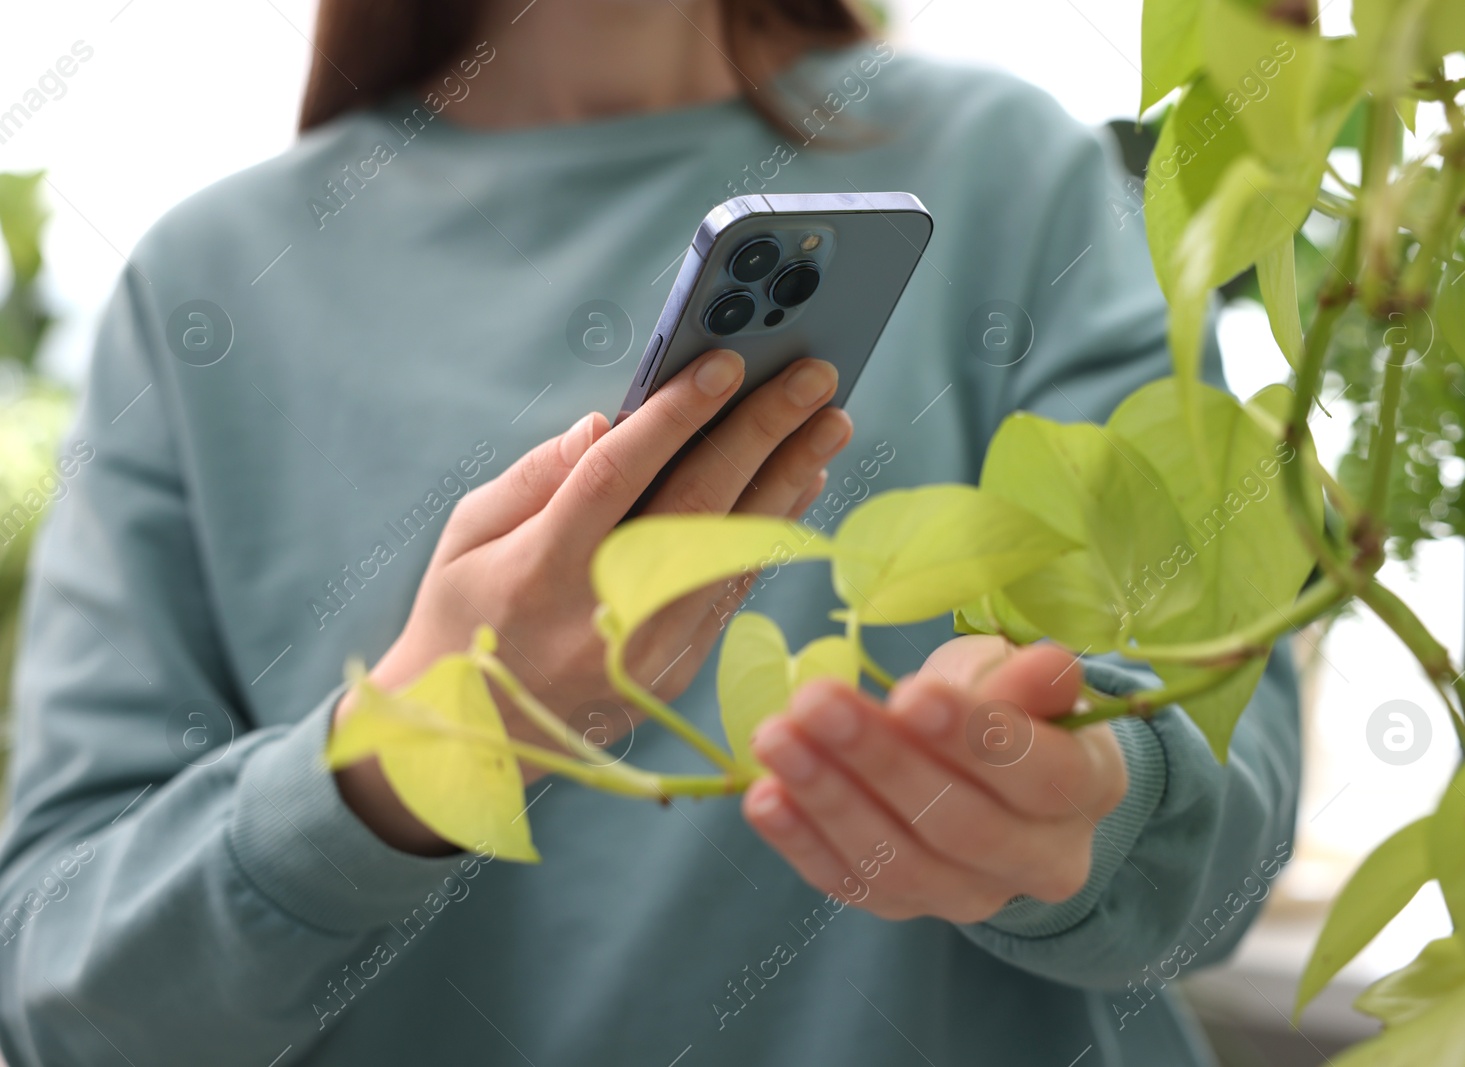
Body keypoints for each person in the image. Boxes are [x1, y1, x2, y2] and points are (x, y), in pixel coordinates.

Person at [0, 1, 1299, 1064]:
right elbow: (64, 991)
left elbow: (1230, 830)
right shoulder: (207, 289)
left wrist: (1093, 805)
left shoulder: (1015, 176)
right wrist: (417, 742)